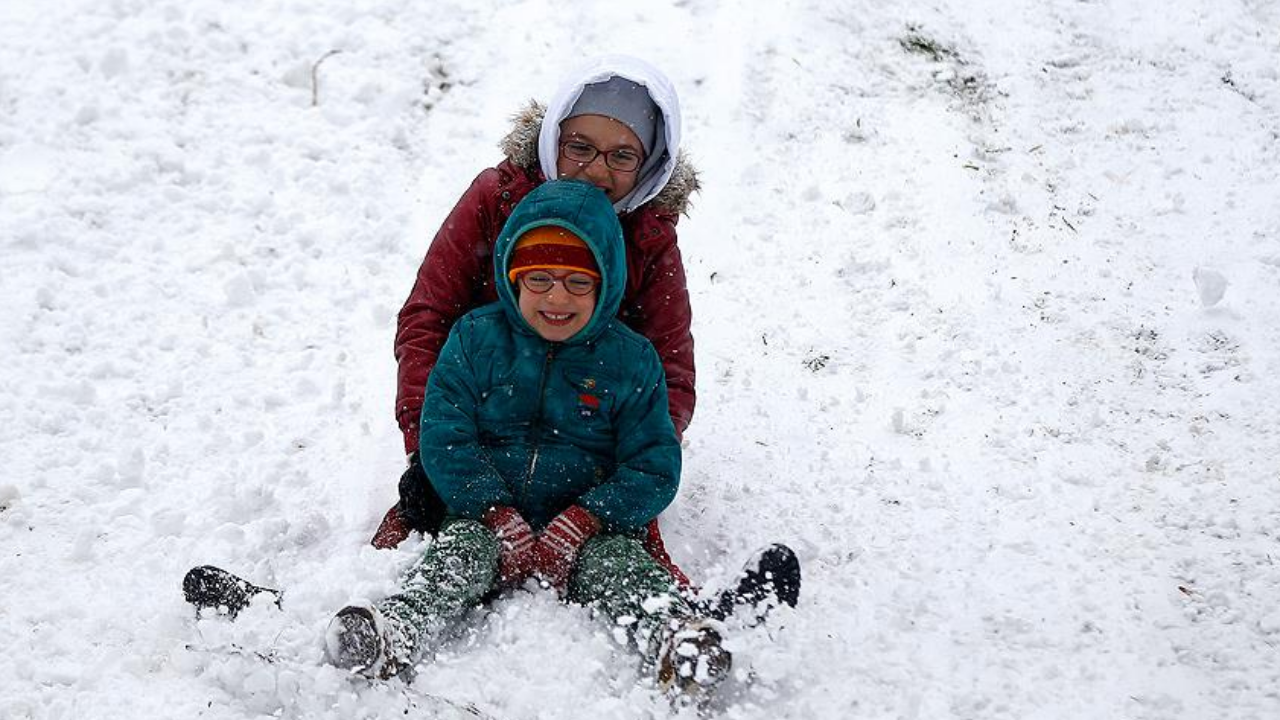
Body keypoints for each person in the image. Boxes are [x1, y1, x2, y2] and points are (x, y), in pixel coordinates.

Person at [326, 180, 731, 701]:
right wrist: (491, 510)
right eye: (538, 278)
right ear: (512, 278)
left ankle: (676, 638)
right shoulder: (475, 341)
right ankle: (395, 632)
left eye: (578, 283)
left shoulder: (631, 361)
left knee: (622, 568)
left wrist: (589, 518)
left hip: (589, 527)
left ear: (606, 284)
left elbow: (653, 463)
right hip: (486, 517)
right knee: (457, 555)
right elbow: (446, 438)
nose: (556, 297)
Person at [372, 56, 699, 588]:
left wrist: (631, 465)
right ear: (553, 139)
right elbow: (427, 316)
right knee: (435, 547)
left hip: (588, 428)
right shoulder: (498, 199)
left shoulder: (649, 233)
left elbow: (671, 366)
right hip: (489, 413)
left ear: (650, 165)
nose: (597, 170)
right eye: (580, 147)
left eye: (622, 156)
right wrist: (426, 444)